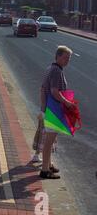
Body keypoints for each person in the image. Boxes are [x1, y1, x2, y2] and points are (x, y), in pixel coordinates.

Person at [39, 45, 75, 179]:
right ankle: (44, 170)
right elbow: (54, 91)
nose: (67, 60)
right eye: (65, 57)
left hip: (48, 107)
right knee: (49, 140)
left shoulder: (51, 68)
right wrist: (67, 102)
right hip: (53, 108)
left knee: (51, 139)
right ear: (58, 56)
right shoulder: (56, 71)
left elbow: (42, 88)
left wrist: (42, 108)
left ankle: (48, 165)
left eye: (69, 58)